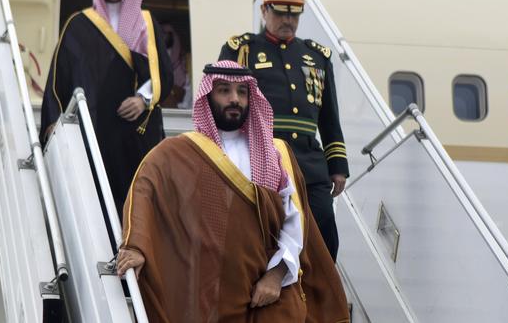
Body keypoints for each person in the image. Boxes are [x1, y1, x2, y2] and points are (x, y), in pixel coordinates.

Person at [117, 61, 349, 322]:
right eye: (224, 90)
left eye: (241, 92)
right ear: (208, 95)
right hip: (210, 293)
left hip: (270, 288)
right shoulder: (181, 152)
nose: (234, 99)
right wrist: (136, 246)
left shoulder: (276, 153)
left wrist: (275, 276)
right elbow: (145, 189)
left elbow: (295, 221)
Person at [219, 0, 348, 261]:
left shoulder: (317, 56)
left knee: (324, 225)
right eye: (280, 12)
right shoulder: (243, 50)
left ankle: (321, 294)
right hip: (264, 155)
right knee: (268, 232)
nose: (288, 19)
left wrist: (338, 166)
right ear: (265, 11)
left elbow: (329, 117)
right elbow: (223, 104)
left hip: (310, 162)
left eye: (294, 14)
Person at [39, 0, 173, 213]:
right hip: (94, 132)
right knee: (95, 201)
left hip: (136, 133)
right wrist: (52, 123)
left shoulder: (145, 23)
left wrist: (143, 99)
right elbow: (58, 78)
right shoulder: (78, 24)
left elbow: (164, 74)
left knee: (141, 201)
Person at [160, 23, 192, 109]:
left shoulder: (184, 60)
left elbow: (189, 88)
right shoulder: (155, 57)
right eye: (161, 34)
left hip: (182, 107)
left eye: (166, 34)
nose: (164, 37)